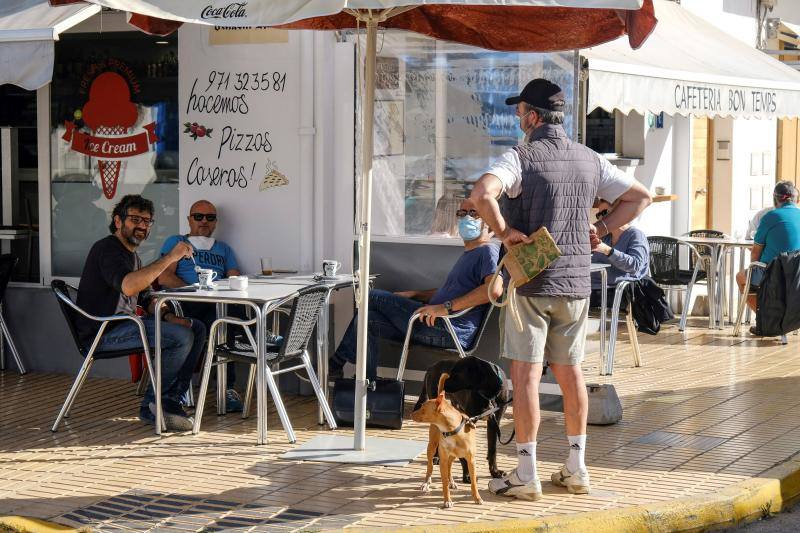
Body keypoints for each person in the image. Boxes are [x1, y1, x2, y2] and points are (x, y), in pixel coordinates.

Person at [470, 78, 651, 500]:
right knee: (572, 375)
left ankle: (527, 472)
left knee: (526, 377)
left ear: (533, 117)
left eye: (520, 114)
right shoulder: (590, 159)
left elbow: (482, 194)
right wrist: (602, 228)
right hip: (575, 283)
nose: (518, 120)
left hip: (531, 284)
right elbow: (641, 197)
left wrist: (505, 231)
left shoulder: (520, 157)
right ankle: (576, 468)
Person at [329, 198, 503, 380]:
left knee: (372, 297)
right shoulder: (471, 254)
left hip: (447, 329)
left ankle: (335, 363)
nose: (466, 218)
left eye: (473, 213)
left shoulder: (487, 251)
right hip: (434, 322)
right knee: (367, 320)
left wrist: (445, 307)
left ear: (489, 221)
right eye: (461, 213)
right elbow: (452, 290)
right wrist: (416, 294)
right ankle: (368, 385)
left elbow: (494, 290)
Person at [76, 194, 206, 431]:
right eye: (135, 219)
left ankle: (170, 400)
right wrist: (170, 258)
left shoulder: (132, 256)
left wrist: (169, 316)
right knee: (181, 337)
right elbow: (128, 285)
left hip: (126, 325)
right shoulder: (107, 249)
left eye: (147, 221)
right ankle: (152, 406)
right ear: (118, 221)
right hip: (104, 331)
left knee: (194, 327)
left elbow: (146, 296)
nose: (142, 226)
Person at [157, 200, 245, 412]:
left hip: (216, 303)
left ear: (215, 222)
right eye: (198, 216)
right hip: (186, 303)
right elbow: (164, 277)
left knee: (226, 318)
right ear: (189, 219)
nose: (204, 221)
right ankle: (254, 337)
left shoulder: (224, 249)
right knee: (226, 322)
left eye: (210, 217)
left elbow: (235, 278)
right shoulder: (176, 242)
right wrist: (196, 290)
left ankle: (227, 386)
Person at [736, 181, 800, 315]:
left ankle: (765, 318)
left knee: (741, 277)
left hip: (772, 274)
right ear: (797, 199)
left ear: (775, 199)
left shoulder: (770, 217)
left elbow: (755, 254)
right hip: (797, 276)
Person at [589, 199, 650, 308]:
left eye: (605, 213)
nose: (602, 219)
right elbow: (593, 262)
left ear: (619, 213)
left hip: (617, 290)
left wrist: (608, 250)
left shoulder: (635, 235)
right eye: (599, 215)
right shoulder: (605, 237)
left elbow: (635, 265)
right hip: (594, 287)